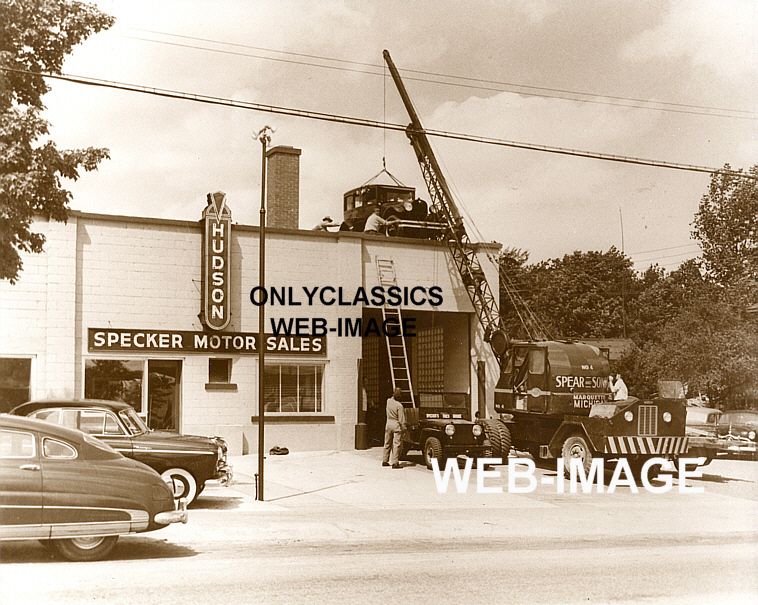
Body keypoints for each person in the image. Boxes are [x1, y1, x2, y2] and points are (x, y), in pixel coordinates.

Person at [382, 387, 406, 469]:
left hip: (388, 423)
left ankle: (385, 460)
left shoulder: (388, 401)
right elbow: (401, 419)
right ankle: (395, 462)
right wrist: (404, 428)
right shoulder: (399, 406)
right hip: (396, 425)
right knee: (396, 444)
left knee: (387, 442)